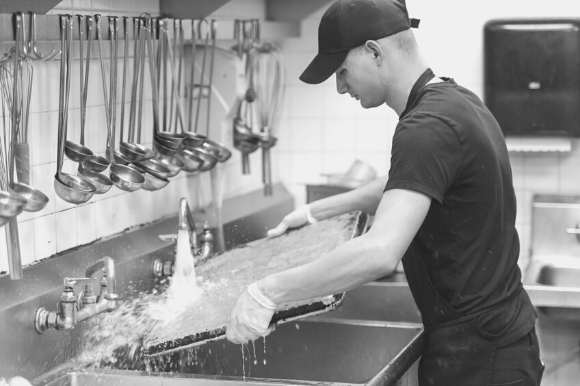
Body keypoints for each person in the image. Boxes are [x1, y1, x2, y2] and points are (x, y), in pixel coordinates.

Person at [225, 0, 544, 385]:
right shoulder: (455, 101)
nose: (341, 87)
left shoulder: (425, 126)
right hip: (497, 341)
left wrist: (267, 292)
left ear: (374, 52)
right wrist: (316, 211)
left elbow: (379, 252)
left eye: (341, 71)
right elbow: (409, 183)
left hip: (478, 359)